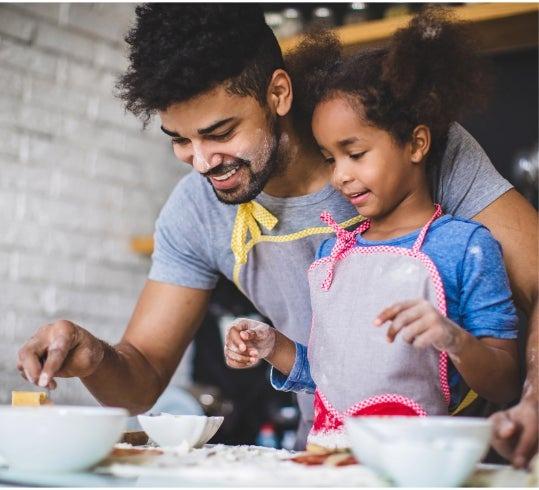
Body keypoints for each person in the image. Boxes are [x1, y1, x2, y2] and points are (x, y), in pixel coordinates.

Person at [16, 4, 537, 464]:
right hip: (329, 452)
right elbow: (143, 376)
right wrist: (94, 356)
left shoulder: (399, 148)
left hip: (467, 456)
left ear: (278, 93)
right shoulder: (194, 212)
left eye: (220, 133)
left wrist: (533, 399)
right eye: (179, 141)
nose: (201, 162)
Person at [223, 10, 520, 448]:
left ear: (417, 144)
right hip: (328, 457)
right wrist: (272, 345)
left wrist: (452, 339)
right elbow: (326, 376)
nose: (340, 175)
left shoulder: (465, 246)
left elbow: (506, 383)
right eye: (330, 158)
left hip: (416, 464)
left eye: (355, 153)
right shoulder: (333, 253)